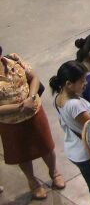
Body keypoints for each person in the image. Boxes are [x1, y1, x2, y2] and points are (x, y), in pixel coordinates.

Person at [0, 46, 63, 201]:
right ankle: (33, 181)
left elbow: (34, 77)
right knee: (22, 153)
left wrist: (31, 97)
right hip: (10, 122)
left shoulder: (13, 59)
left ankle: (54, 172)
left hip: (34, 111)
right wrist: (20, 107)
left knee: (46, 145)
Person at [50, 61, 90, 203]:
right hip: (86, 153)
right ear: (68, 84)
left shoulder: (58, 98)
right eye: (82, 81)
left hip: (73, 148)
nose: (85, 83)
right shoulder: (74, 105)